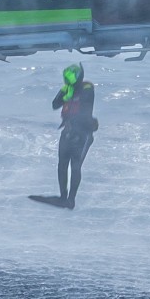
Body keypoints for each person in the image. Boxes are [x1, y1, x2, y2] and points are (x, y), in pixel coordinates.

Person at [50, 63, 97, 209]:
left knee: (75, 166)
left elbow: (86, 102)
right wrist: (65, 93)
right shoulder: (67, 89)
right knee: (62, 165)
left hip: (83, 134)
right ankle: (62, 197)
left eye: (71, 77)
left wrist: (72, 93)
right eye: (66, 77)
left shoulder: (87, 88)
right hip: (68, 131)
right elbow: (55, 105)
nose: (68, 80)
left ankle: (71, 200)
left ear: (79, 77)